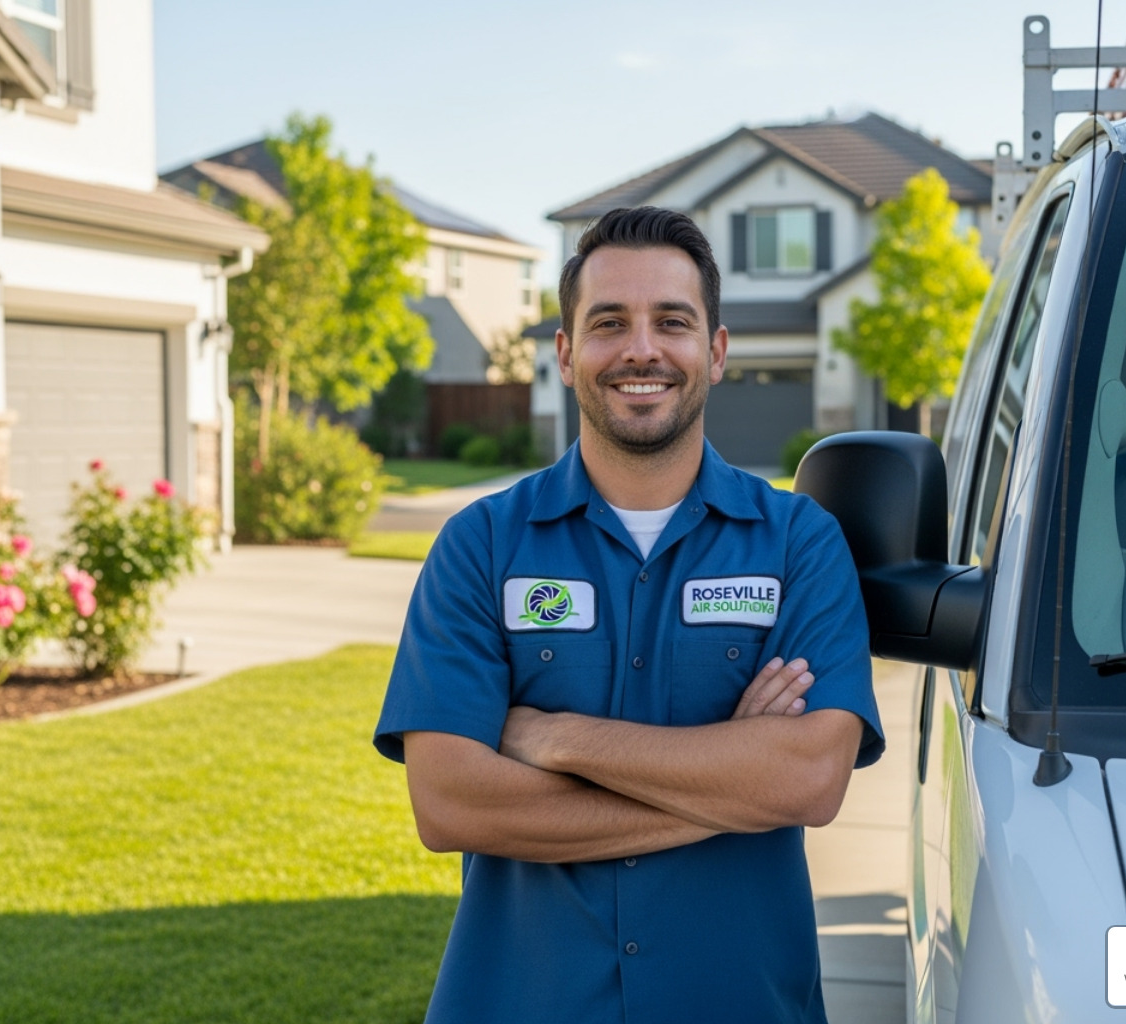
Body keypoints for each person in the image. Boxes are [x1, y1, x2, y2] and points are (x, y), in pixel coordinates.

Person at [374, 206, 884, 1024]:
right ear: (568, 354)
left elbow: (808, 778)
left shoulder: (799, 544)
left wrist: (555, 738)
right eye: (609, 323)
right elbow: (451, 805)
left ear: (714, 352)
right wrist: (730, 779)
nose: (641, 349)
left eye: (672, 322)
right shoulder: (481, 545)